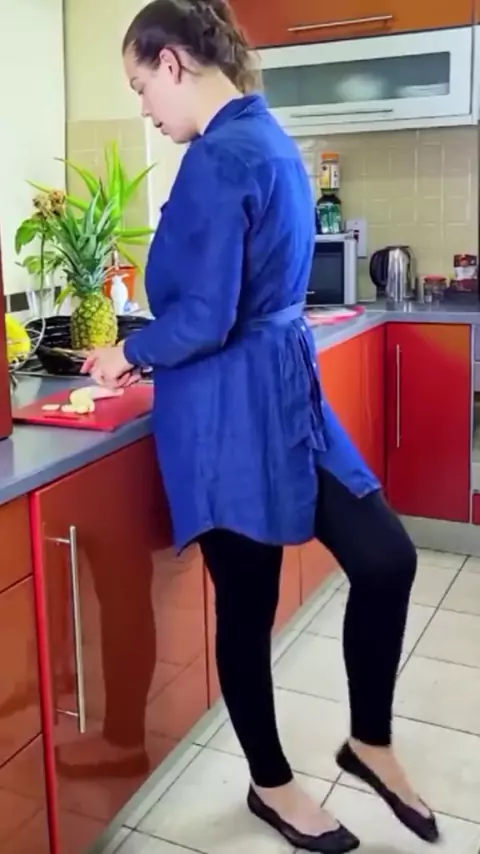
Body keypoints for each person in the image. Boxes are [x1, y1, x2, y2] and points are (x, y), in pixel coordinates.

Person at [82, 1, 439, 850]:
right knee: (294, 589)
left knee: (361, 566)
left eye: (140, 85)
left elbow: (202, 316)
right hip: (240, 403)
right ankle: (272, 784)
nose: (144, 107)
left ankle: (367, 742)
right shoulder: (264, 134)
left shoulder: (223, 153)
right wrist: (146, 346)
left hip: (250, 402)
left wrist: (127, 351)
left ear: (173, 63)